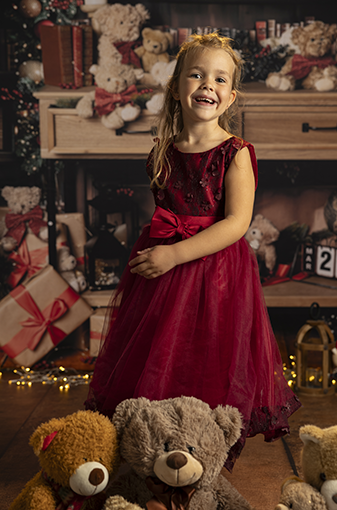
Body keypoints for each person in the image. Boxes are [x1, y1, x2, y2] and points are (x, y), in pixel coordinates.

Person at [85, 32, 301, 469]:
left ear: (232, 96)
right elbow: (166, 211)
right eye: (197, 75)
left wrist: (175, 255)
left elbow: (237, 224)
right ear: (177, 86)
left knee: (210, 356)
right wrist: (159, 255)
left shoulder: (235, 154)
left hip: (214, 273)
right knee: (159, 353)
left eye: (220, 79)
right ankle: (155, 447)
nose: (208, 85)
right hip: (163, 276)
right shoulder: (163, 150)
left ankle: (206, 455)